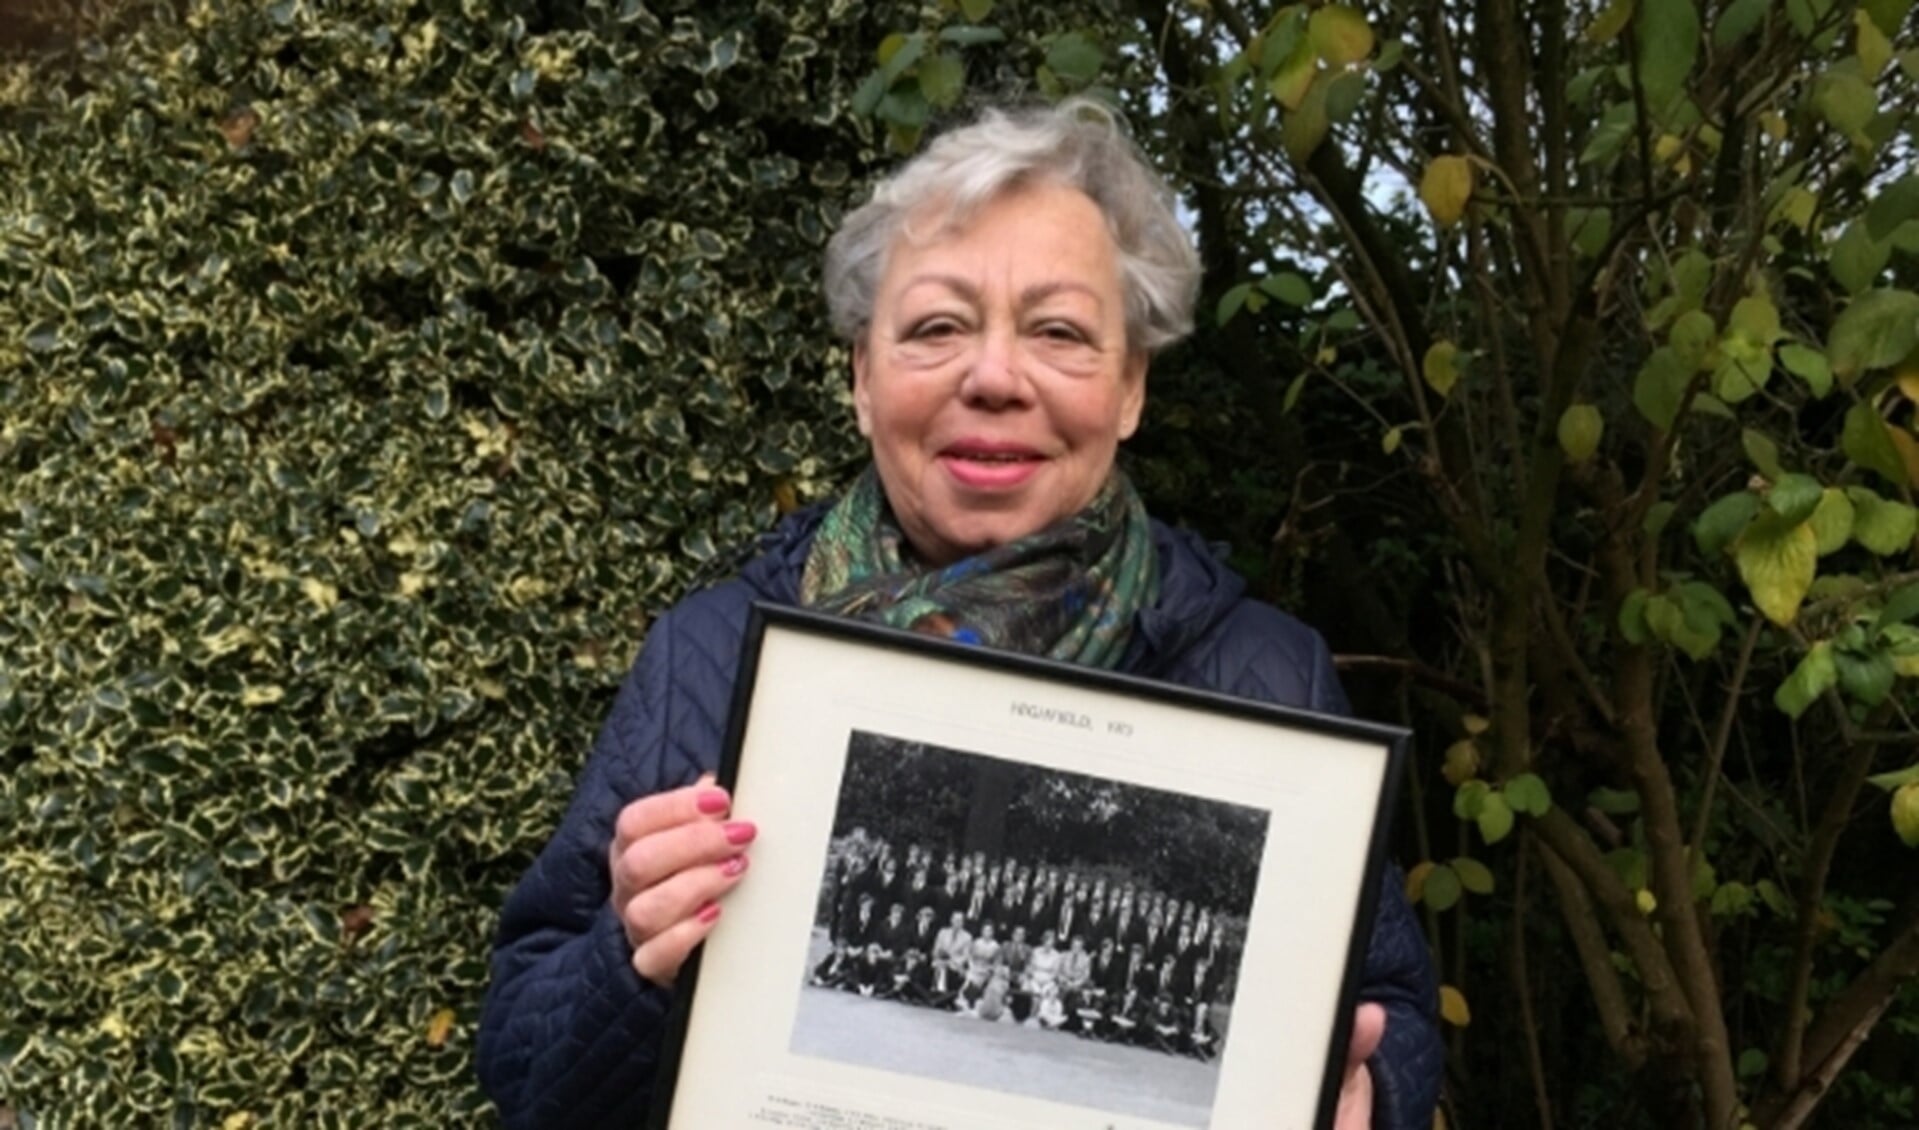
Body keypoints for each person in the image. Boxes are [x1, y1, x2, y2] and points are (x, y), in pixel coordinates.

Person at [476, 98, 1440, 1128]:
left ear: (1128, 388)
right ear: (860, 376)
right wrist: (629, 954)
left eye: (1058, 331)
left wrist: (1365, 1094)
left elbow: (1389, 1008)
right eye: (936, 326)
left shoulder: (1265, 671)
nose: (992, 377)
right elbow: (528, 1068)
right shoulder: (709, 654)